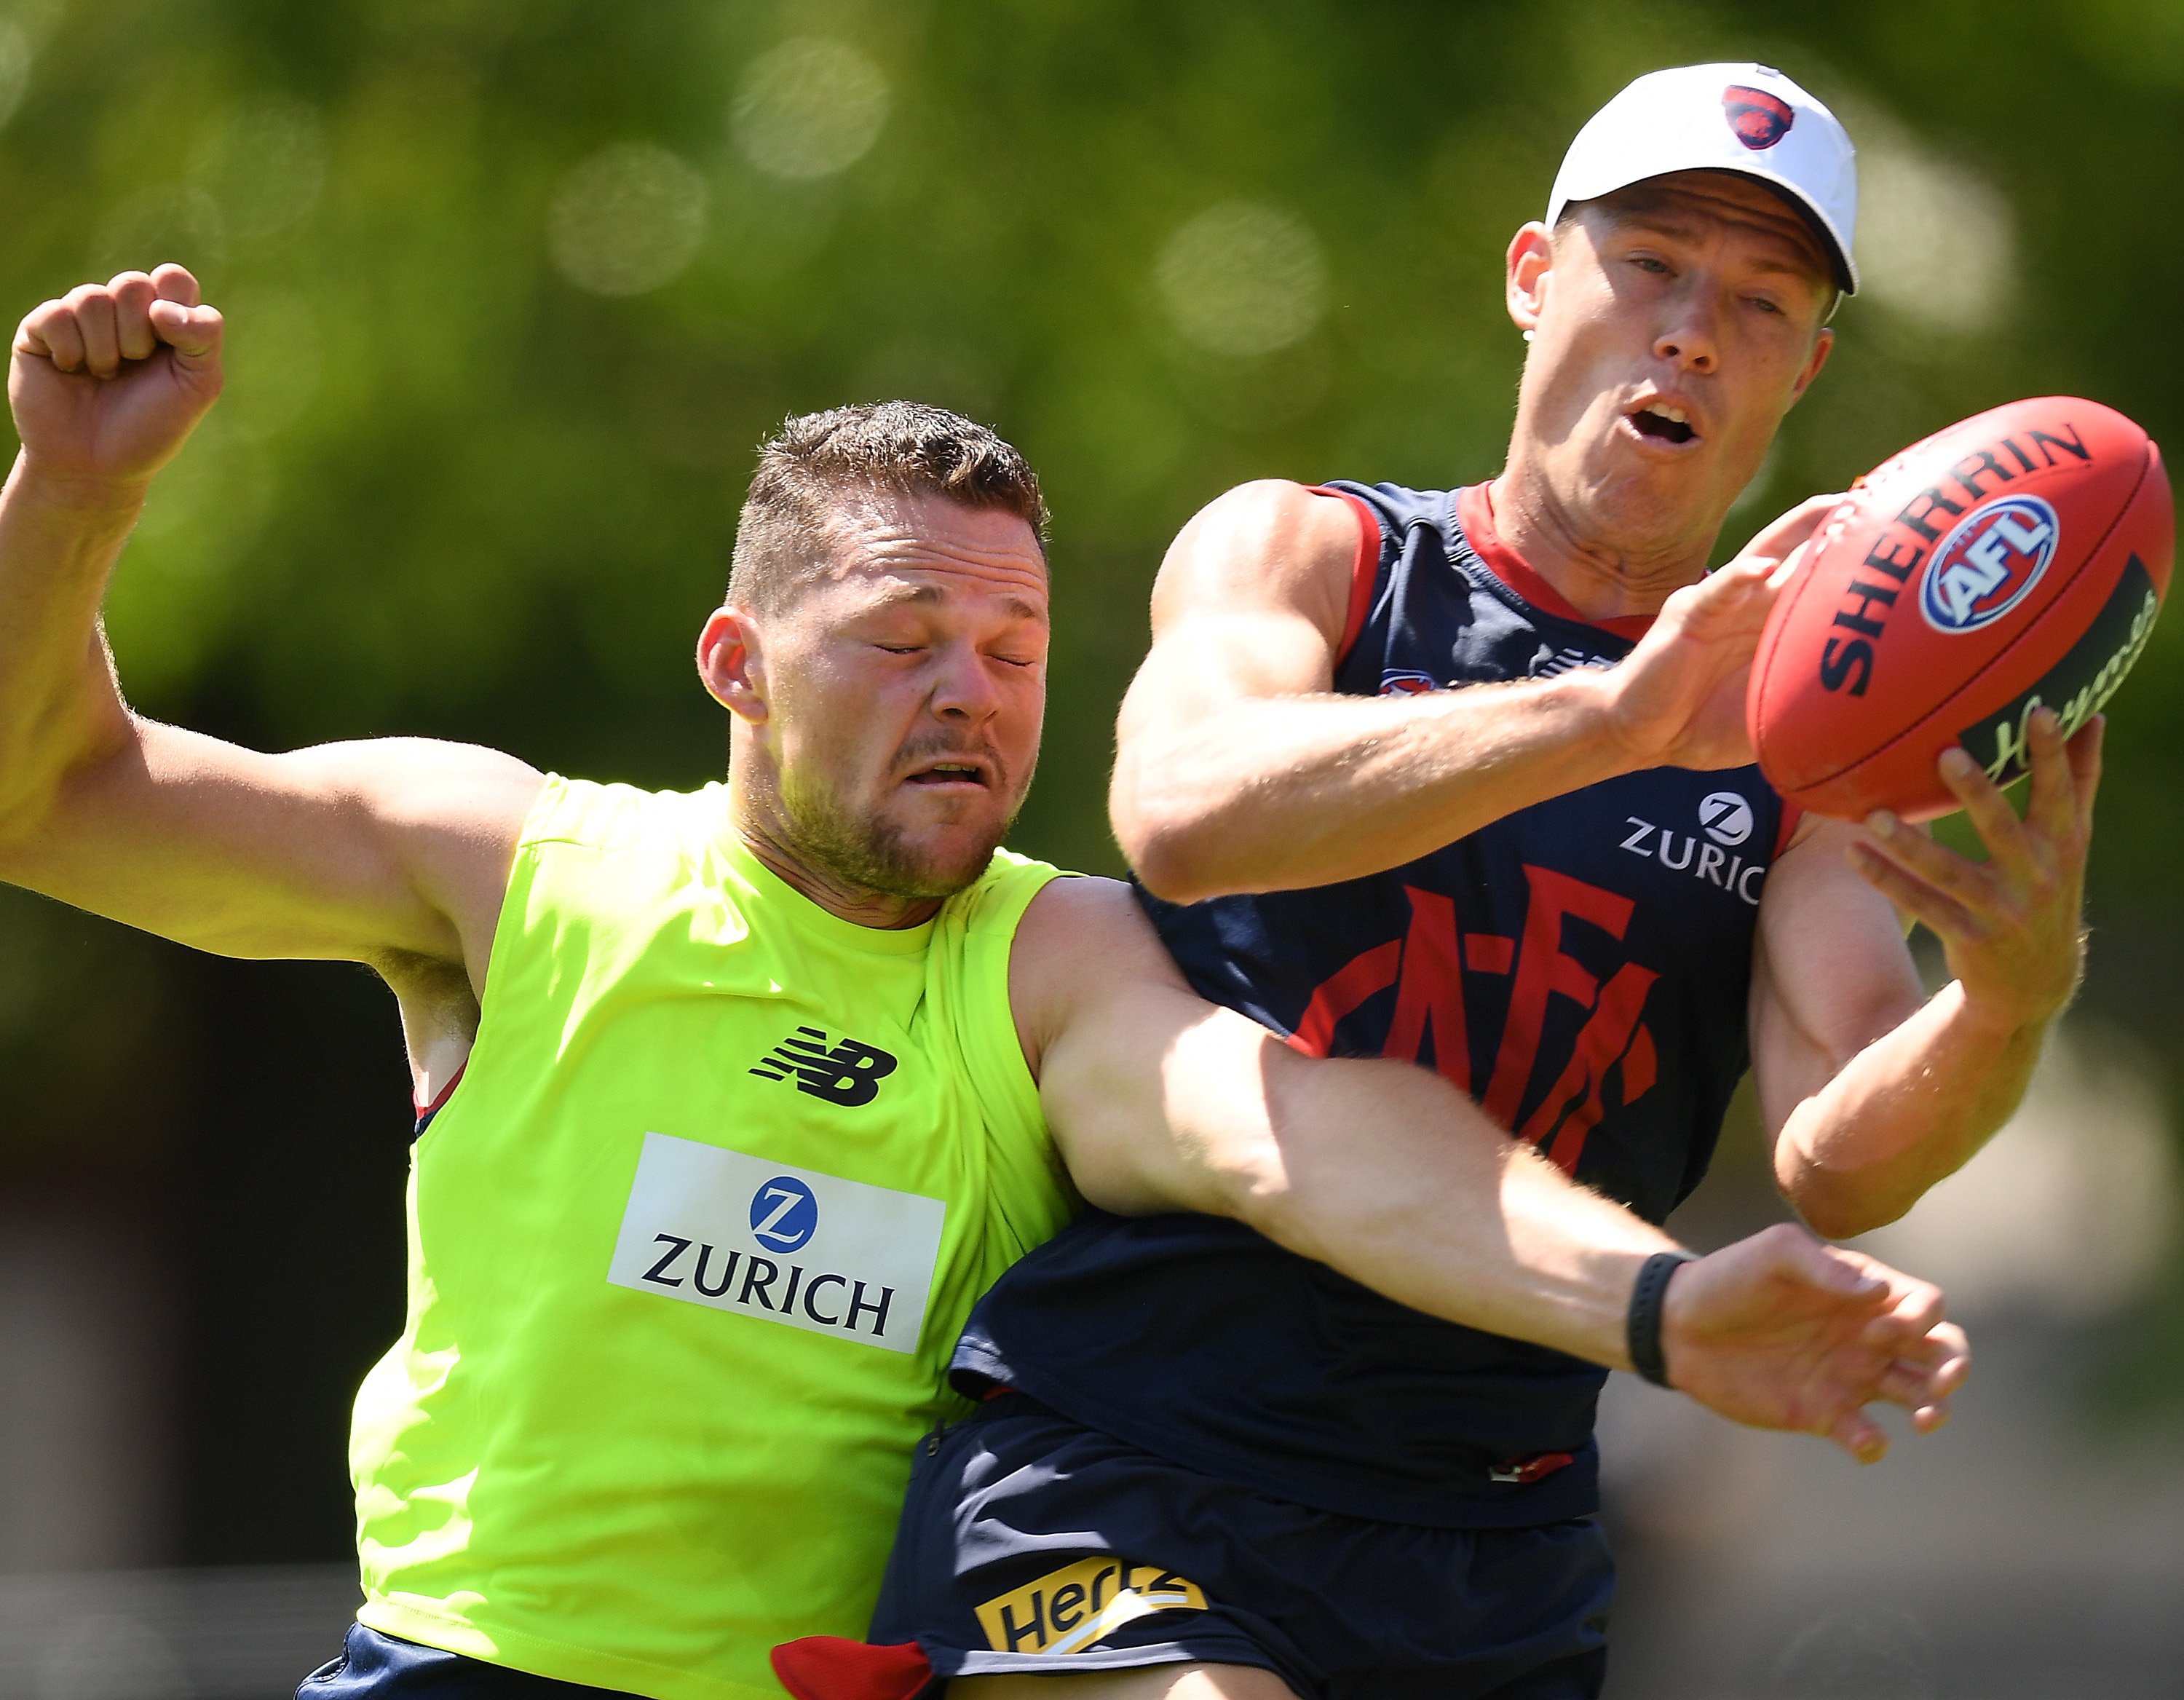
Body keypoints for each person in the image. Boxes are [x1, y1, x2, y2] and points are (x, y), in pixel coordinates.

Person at [0, 261, 1961, 1699]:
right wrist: (71, 499)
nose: (972, 696)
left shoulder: (1055, 965)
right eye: (903, 637)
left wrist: (1655, 1303)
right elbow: (52, 800)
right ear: (737, 663)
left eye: (1016, 653)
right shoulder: (513, 863)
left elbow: (1310, 1142)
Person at [820, 63, 2094, 1700]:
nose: (1693, 333)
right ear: (1532, 276)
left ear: (1805, 372)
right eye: (1650, 264)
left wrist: (2007, 1004)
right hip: (1141, 1454)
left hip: (1495, 1538)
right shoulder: (1318, 555)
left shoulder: (1801, 743)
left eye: (1761, 301)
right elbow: (1181, 810)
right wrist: (1614, 719)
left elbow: (1839, 1158)